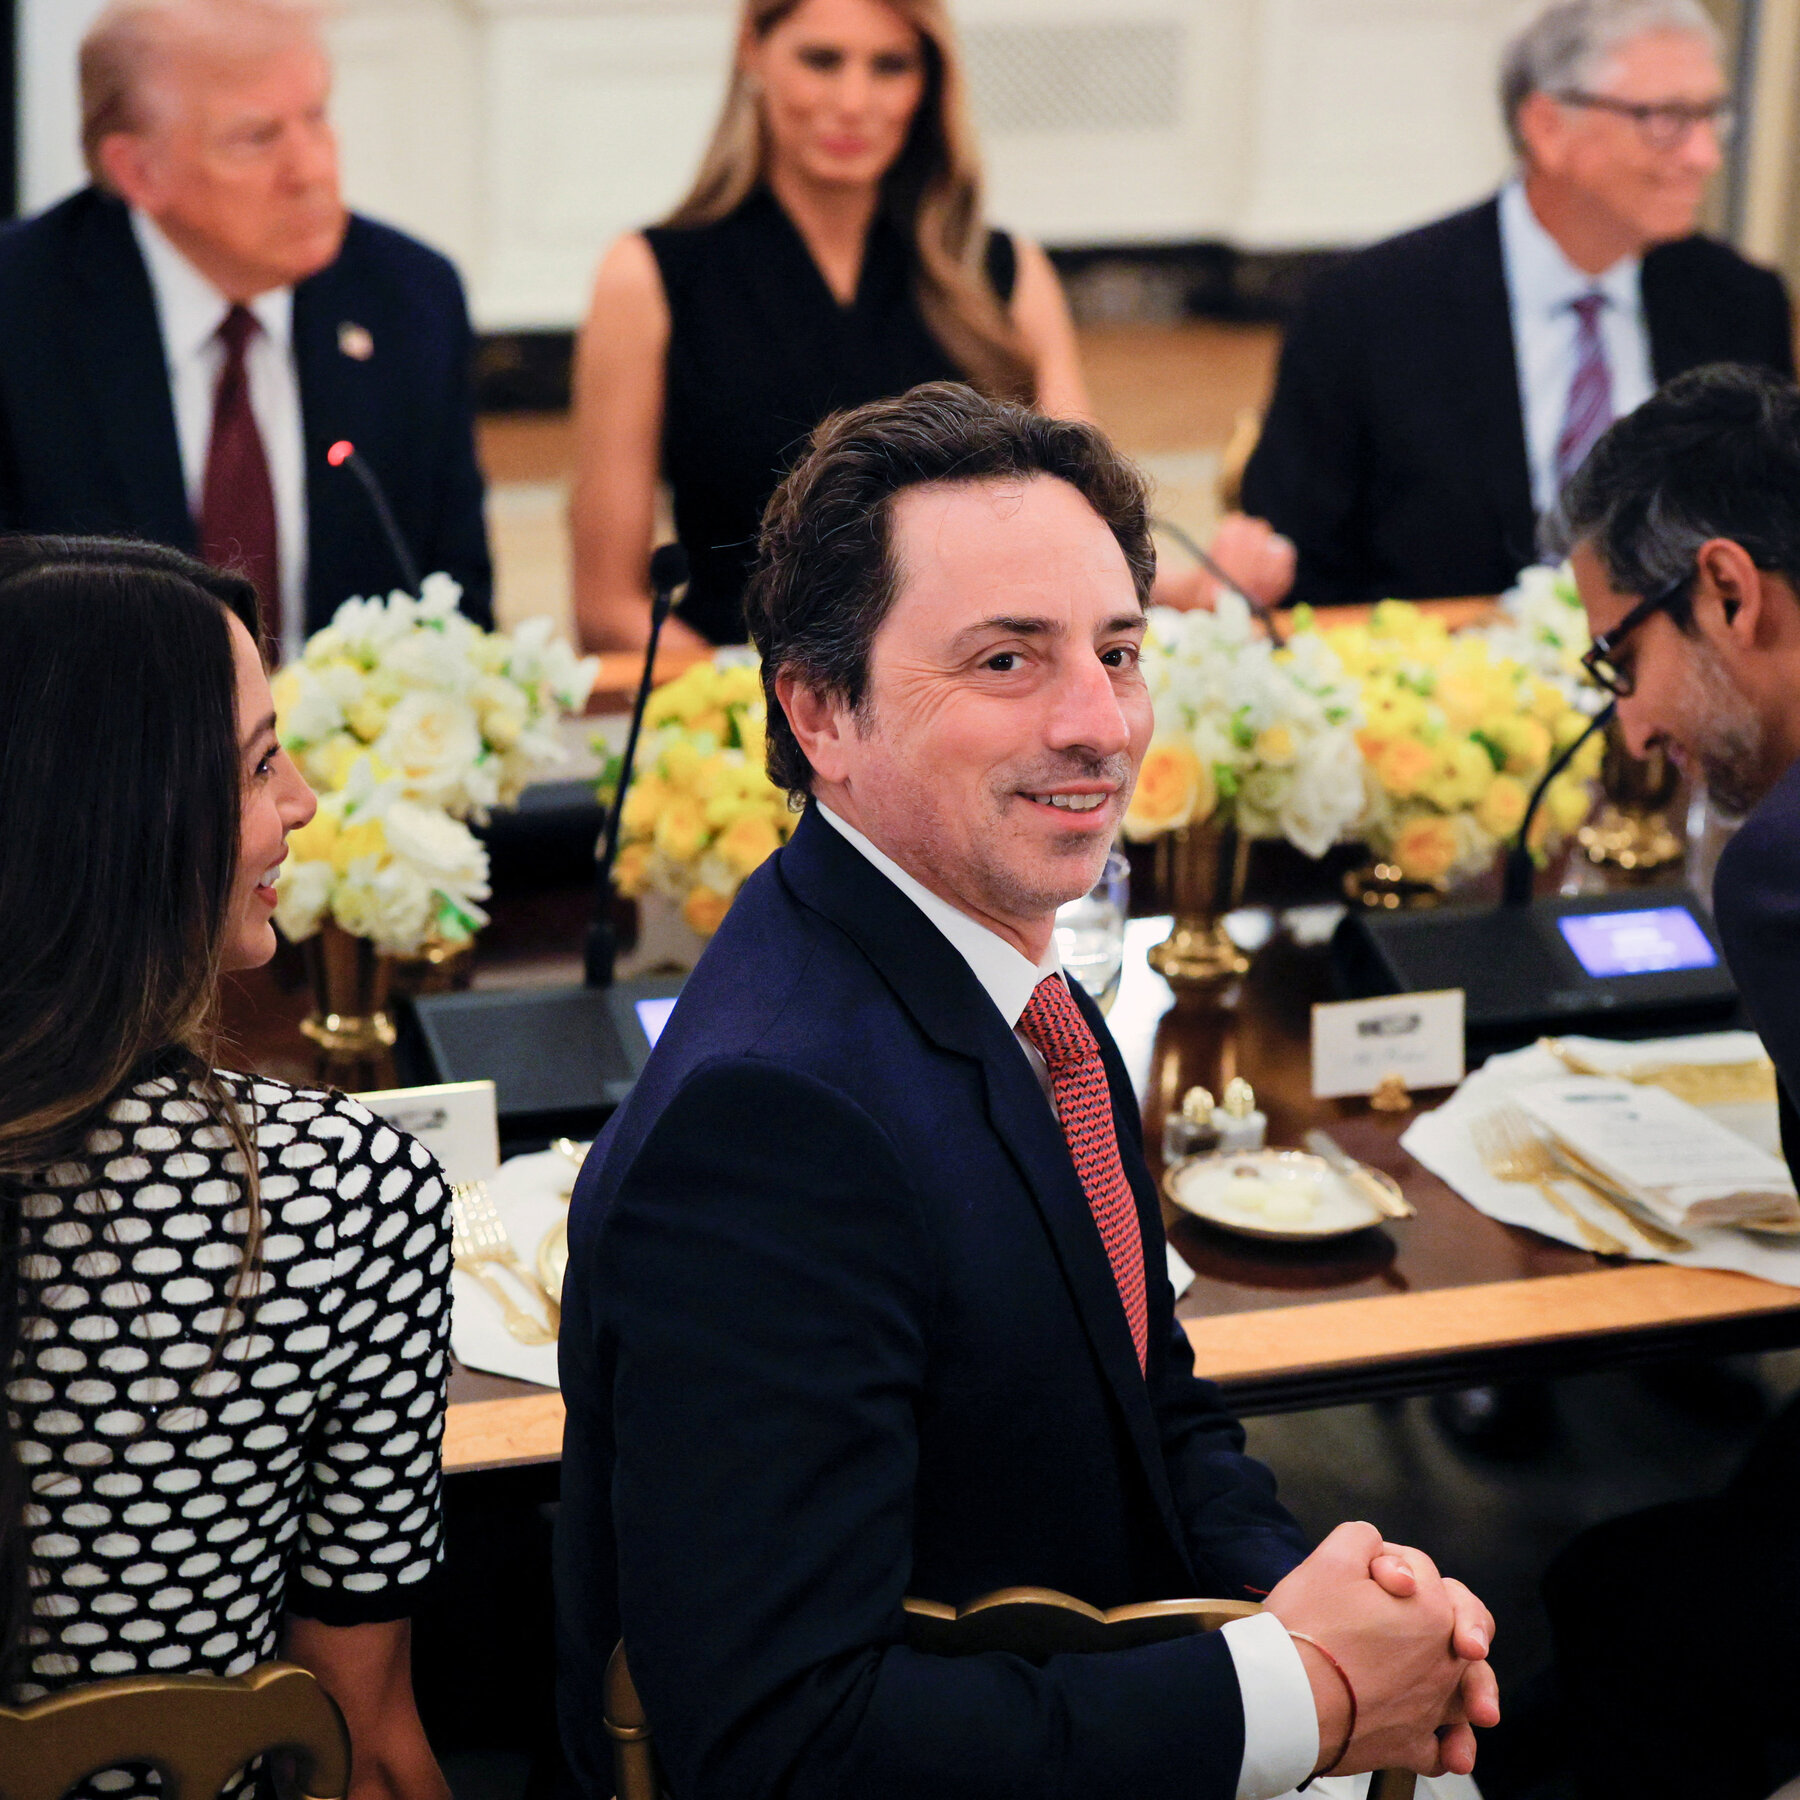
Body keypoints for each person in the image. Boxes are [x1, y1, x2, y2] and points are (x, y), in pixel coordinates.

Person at [555, 382, 1499, 1799]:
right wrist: (1302, 1696)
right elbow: (780, 1745)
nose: (1100, 723)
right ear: (819, 710)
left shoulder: (1018, 987)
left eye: (1119, 651)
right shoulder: (770, 1126)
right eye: (1007, 661)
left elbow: (1152, 1407)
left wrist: (1342, 1608)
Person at [0, 537, 453, 1800]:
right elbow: (363, 1746)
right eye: (259, 763)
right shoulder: (342, 1198)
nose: (301, 800)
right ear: (122, 816)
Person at [567, 0, 1289, 652]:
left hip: (979, 699)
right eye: (822, 60)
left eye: (890, 66)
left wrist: (1197, 592)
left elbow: (1084, 550)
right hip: (740, 696)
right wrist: (759, 712)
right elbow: (608, 609)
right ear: (752, 51)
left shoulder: (1003, 274)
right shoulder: (649, 277)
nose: (854, 102)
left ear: (930, 81)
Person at [1540, 359, 1800, 1799]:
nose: (1632, 727)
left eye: (1617, 661)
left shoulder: (1783, 865)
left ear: (1727, 591)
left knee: (1614, 1604)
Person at [1242, 0, 1794, 610]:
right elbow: (1296, 568)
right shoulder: (1366, 310)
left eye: (1711, 116)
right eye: (1666, 119)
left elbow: (1769, 538)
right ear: (1547, 126)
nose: (1704, 156)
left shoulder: (1740, 303)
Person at [0, 0, 493, 662]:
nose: (311, 171)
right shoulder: (21, 311)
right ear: (138, 171)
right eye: (257, 138)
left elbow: (455, 609)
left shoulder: (409, 301)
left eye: (316, 117)